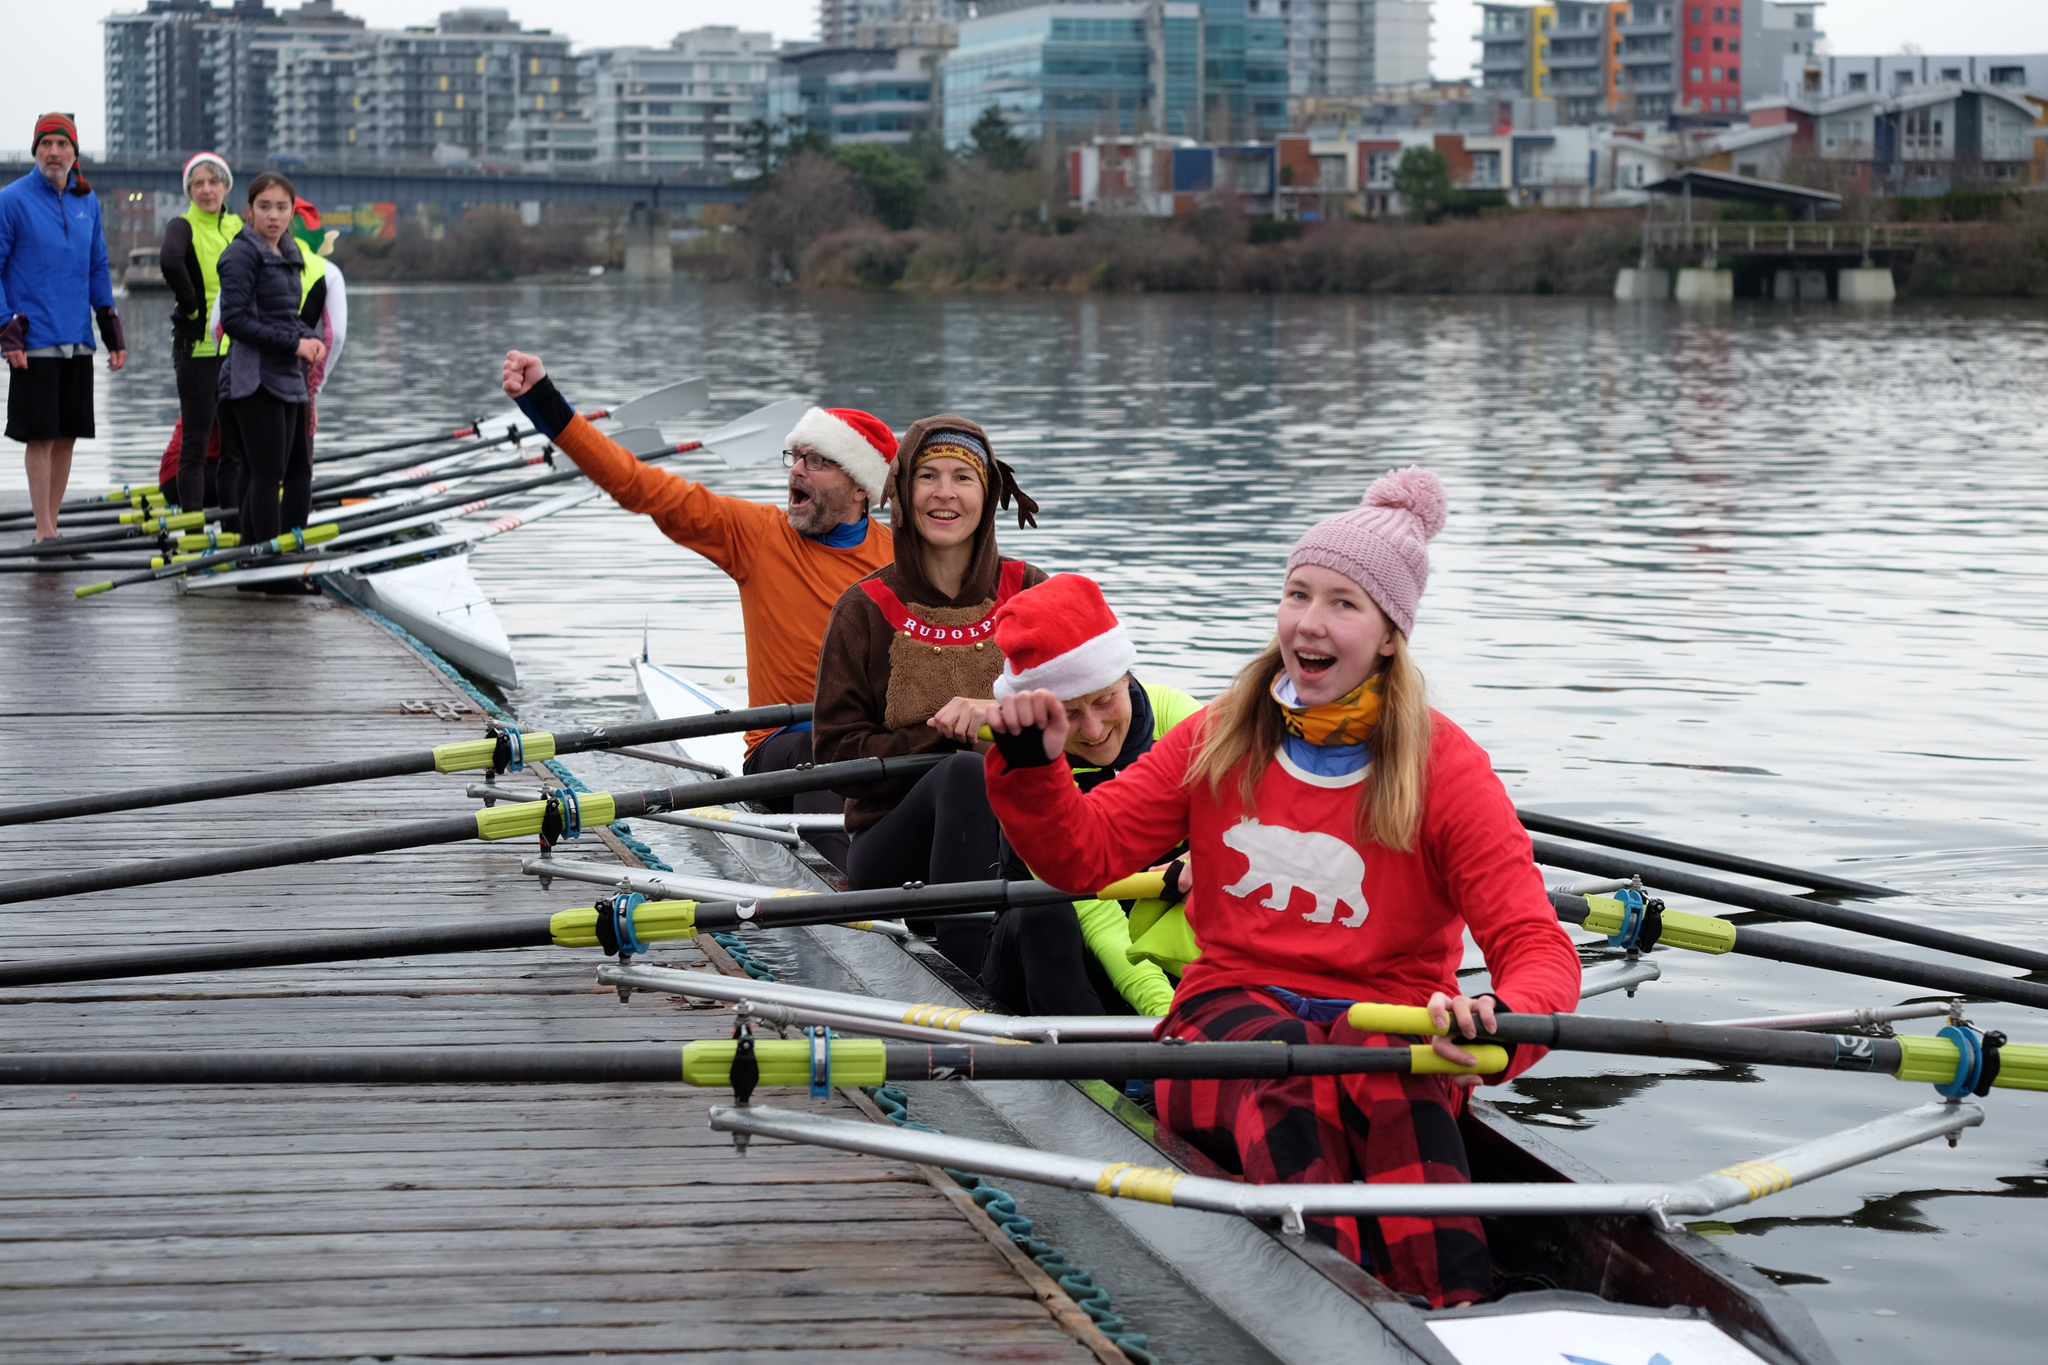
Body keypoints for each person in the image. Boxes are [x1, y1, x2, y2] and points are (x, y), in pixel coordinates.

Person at [984, 467, 1581, 1307]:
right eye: (1298, 593)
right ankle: (1335, 1310)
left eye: (1343, 603)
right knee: (1285, 1081)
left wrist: (1505, 1022)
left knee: (1393, 1085)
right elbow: (1085, 853)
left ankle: (1455, 1311)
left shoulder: (1447, 767)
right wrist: (1033, 767)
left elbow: (1534, 943)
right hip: (1225, 1011)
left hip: (1389, 1016)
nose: (1309, 620)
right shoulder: (1222, 732)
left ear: (1387, 636)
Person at [498, 349, 895, 870]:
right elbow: (639, 486)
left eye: (815, 461)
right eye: (793, 457)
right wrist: (543, 403)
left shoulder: (900, 557)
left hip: (872, 747)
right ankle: (855, 900)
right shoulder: (755, 535)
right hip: (784, 746)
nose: (795, 471)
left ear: (861, 487)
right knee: (825, 758)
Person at [810, 415, 1043, 971]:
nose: (945, 494)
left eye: (963, 478)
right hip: (892, 845)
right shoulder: (863, 608)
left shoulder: (1031, 590)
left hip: (1023, 835)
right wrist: (943, 739)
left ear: (988, 495)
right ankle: (973, 972)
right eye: (928, 477)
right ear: (901, 491)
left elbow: (1101, 710)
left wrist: (999, 717)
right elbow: (834, 754)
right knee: (964, 773)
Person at [978, 573, 1200, 1018]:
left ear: (1125, 676)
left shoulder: (1177, 714)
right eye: (1069, 715)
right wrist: (1165, 1015)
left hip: (1161, 947)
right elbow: (1102, 925)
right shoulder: (1029, 767)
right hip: (1054, 961)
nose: (1095, 731)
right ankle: (1093, 1083)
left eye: (1104, 701)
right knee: (1045, 912)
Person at [0, 113, 125, 544]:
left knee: (68, 436)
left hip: (77, 338)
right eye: (46, 144)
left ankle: (52, 527)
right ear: (36, 150)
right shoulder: (11, 200)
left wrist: (109, 326)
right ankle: (44, 533)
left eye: (62, 144)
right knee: (41, 436)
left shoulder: (86, 200)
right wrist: (6, 328)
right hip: (33, 339)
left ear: (75, 152)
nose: (54, 152)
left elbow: (97, 265)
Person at [215, 172, 323, 549]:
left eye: (281, 207)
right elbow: (236, 321)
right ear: (249, 211)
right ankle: (269, 569)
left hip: (286, 376)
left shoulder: (288, 251)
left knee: (298, 472)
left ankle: (274, 557)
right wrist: (295, 344)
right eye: (264, 207)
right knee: (266, 474)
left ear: (292, 212)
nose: (273, 215)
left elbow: (283, 317)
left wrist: (309, 337)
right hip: (252, 378)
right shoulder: (241, 254)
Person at [157, 152, 240, 513]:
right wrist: (193, 307)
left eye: (213, 182)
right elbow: (169, 260)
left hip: (238, 350)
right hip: (198, 350)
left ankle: (233, 526)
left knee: (234, 448)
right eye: (198, 184)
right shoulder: (183, 225)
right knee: (196, 442)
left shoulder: (239, 226)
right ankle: (192, 529)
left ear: (225, 186)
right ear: (189, 190)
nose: (207, 190)